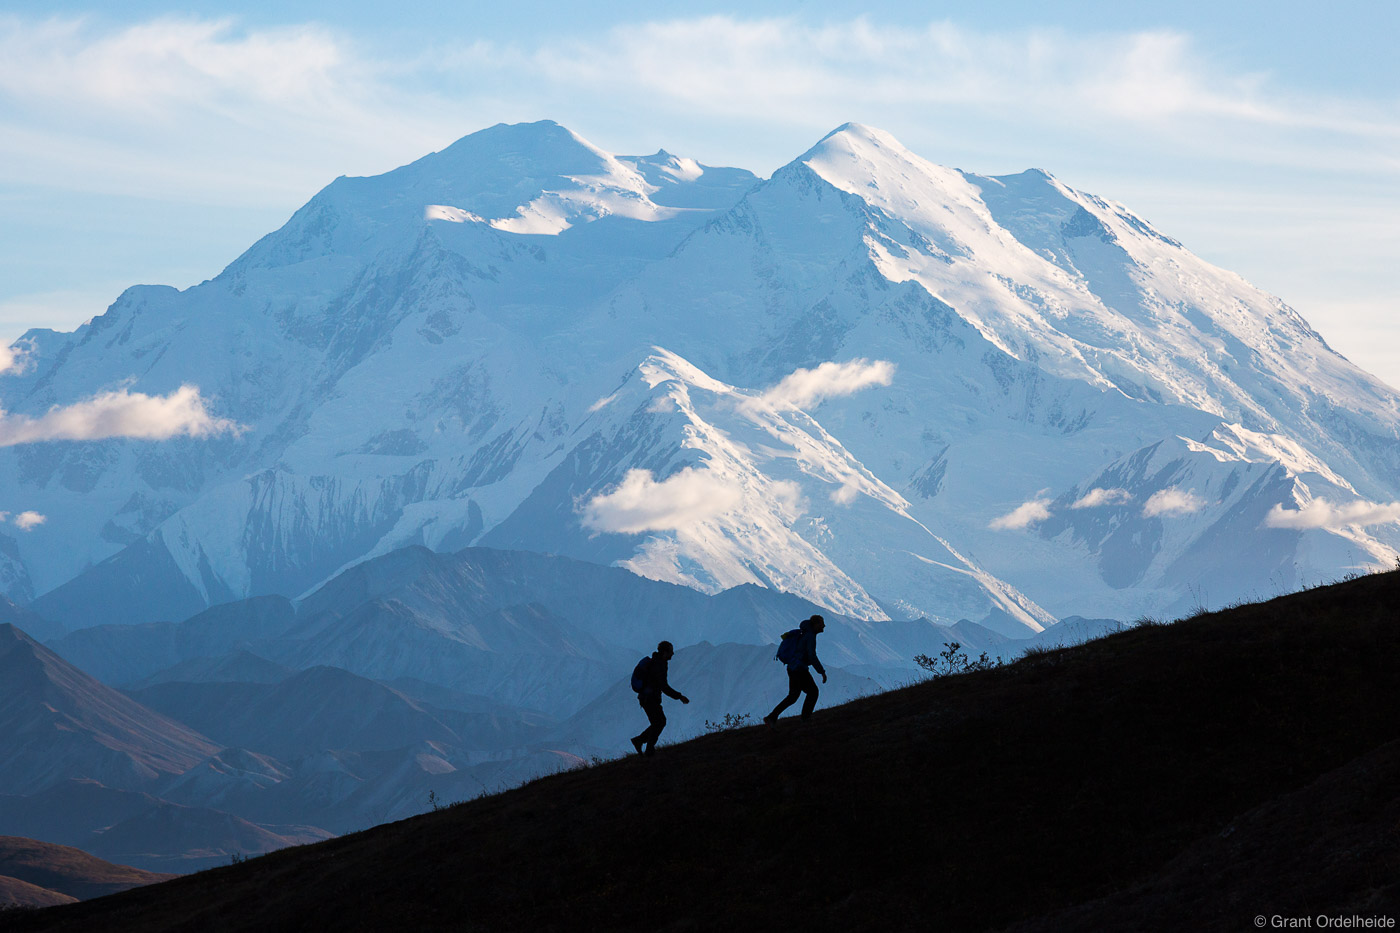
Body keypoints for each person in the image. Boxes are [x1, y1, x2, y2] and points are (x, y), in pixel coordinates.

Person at [764, 615, 827, 723]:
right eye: (821, 624)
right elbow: (812, 656)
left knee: (793, 696)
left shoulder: (804, 633)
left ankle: (772, 717)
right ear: (816, 625)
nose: (824, 626)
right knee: (813, 692)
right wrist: (821, 671)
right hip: (799, 669)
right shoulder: (810, 636)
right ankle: (806, 718)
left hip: (792, 668)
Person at [631, 640, 689, 756]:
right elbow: (664, 687)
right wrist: (679, 696)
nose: (673, 654)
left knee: (658, 722)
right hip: (649, 699)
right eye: (671, 652)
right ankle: (648, 749)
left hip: (647, 698)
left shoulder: (657, 662)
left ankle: (641, 743)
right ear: (665, 652)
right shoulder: (659, 665)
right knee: (659, 722)